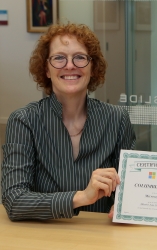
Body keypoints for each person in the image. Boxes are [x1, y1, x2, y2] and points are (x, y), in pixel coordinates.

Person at [1, 23, 136, 221]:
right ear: (46, 69)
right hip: (43, 237)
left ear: (93, 67)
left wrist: (123, 203)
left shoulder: (117, 119)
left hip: (100, 238)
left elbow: (129, 190)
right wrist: (81, 197)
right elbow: (14, 200)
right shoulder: (24, 121)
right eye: (59, 58)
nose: (70, 65)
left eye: (80, 57)